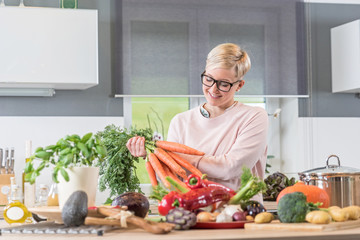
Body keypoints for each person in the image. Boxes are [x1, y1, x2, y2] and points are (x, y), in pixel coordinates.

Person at [126, 43, 268, 201]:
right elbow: (174, 181)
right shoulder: (181, 121)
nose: (213, 89)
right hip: (196, 214)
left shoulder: (253, 117)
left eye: (223, 84)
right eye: (209, 79)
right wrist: (154, 156)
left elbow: (231, 168)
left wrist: (174, 156)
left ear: (239, 85)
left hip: (241, 215)